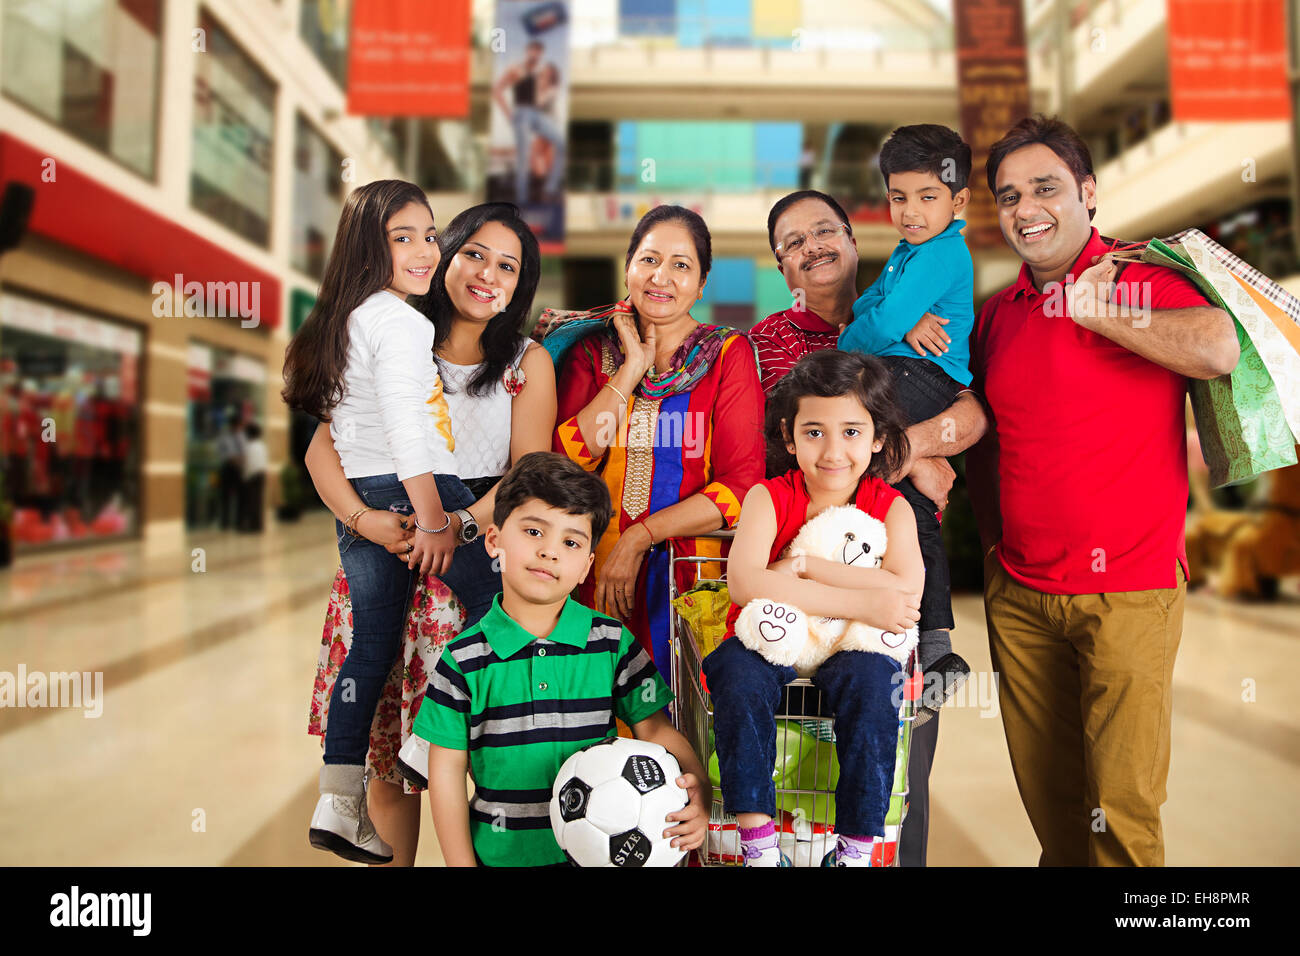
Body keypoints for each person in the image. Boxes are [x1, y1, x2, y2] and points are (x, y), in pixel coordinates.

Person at [966, 115, 1239, 866]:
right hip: (1020, 592)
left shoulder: (1135, 277)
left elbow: (1217, 347)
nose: (1026, 209)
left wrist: (1101, 311)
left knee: (1119, 821)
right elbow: (989, 435)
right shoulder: (999, 316)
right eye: (1010, 195)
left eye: (1046, 188)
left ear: (1088, 191)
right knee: (1056, 821)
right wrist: (994, 548)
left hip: (1130, 591)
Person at [304, 202, 554, 866]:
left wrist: (456, 528)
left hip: (474, 542)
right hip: (387, 539)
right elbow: (321, 453)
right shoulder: (388, 332)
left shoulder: (527, 363)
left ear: (519, 287)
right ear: (443, 254)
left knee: (482, 752)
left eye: (508, 267)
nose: (487, 275)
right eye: (474, 253)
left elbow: (528, 474)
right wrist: (369, 522)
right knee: (391, 760)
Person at [749, 187, 990, 867]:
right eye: (793, 243)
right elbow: (764, 458)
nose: (812, 248)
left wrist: (908, 451)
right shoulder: (764, 344)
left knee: (899, 777)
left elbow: (971, 415)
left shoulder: (900, 305)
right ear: (782, 268)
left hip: (898, 591)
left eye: (825, 231)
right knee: (803, 776)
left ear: (855, 240)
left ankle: (937, 648)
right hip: (806, 588)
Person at [283, 180, 488, 864]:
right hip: (416, 489)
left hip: (365, 501)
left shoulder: (347, 318)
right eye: (404, 237)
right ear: (369, 248)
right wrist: (434, 518)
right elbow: (407, 427)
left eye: (430, 235)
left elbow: (345, 434)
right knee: (498, 611)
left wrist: (378, 513)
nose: (425, 250)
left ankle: (339, 798)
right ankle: (429, 742)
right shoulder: (402, 320)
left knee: (371, 649)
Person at [416, 452, 711, 866]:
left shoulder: (612, 643)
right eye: (534, 531)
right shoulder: (462, 661)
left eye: (570, 542)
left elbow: (657, 730)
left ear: (586, 566)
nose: (549, 551)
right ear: (495, 541)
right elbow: (446, 776)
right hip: (501, 858)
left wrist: (697, 787)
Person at [702, 350, 924, 867]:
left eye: (851, 431)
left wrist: (802, 567)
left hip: (850, 644)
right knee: (734, 671)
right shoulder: (767, 497)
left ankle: (855, 847)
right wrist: (863, 599)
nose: (833, 450)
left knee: (875, 685)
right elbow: (743, 583)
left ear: (878, 440)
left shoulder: (891, 507)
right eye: (814, 431)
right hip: (776, 639)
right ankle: (758, 844)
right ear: (789, 435)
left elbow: (905, 593)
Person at [552, 204, 765, 686]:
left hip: (687, 578)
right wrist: (630, 370)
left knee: (675, 725)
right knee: (589, 722)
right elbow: (563, 462)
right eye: (648, 260)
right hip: (585, 573)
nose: (660, 277)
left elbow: (740, 486)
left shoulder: (727, 355)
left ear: (701, 283)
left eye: (681, 265)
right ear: (628, 266)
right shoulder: (592, 351)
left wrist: (639, 536)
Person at [837, 124, 977, 720]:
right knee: (905, 501)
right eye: (899, 198)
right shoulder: (908, 254)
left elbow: (864, 323)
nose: (911, 212)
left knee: (856, 466)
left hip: (922, 380)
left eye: (927, 197)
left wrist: (879, 326)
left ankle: (930, 643)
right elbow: (871, 307)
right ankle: (934, 649)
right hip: (902, 371)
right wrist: (895, 319)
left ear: (959, 201)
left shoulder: (943, 251)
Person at [493, 39, 566, 204]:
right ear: (528, 51)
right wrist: (509, 114)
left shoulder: (539, 73)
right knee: (523, 157)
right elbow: (497, 89)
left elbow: (541, 99)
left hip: (536, 114)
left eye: (539, 51)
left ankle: (550, 189)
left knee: (560, 142)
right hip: (522, 113)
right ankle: (522, 201)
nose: (536, 54)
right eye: (534, 50)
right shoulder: (516, 69)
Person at [239, 421, 267, 533]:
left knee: (251, 501)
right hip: (261, 475)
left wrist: (245, 477)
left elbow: (249, 464)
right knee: (258, 501)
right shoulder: (261, 446)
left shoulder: (249, 447)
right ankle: (257, 525)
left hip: (252, 476)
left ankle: (252, 525)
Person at [215, 417, 243, 529]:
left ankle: (238, 522)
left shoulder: (240, 436)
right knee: (225, 495)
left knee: (240, 495)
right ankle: (224, 522)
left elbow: (244, 451)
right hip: (227, 467)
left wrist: (240, 460)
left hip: (237, 469)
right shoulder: (224, 436)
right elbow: (222, 452)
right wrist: (232, 459)